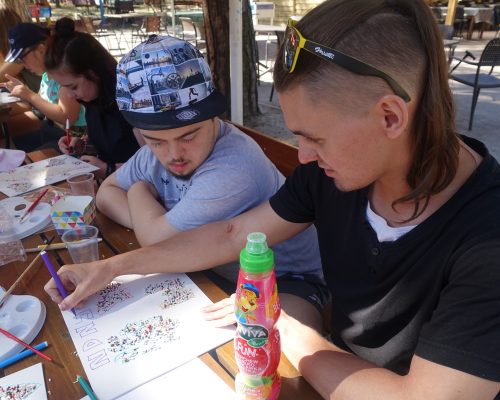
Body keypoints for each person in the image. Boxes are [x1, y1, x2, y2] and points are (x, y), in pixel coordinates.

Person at [45, 0, 500, 398]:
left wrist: (278, 320)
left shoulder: (487, 237)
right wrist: (110, 268)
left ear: (390, 116)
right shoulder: (331, 175)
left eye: (314, 137)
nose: (302, 156)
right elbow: (232, 234)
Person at [95, 35, 327, 327]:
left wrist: (138, 191)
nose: (174, 154)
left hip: (288, 282)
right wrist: (150, 221)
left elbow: (157, 241)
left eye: (189, 136)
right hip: (211, 272)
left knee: (255, 340)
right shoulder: (152, 155)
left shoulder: (234, 165)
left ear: (214, 118)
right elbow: (106, 194)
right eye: (155, 141)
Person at [44, 17, 142, 179]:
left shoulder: (132, 102)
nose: (69, 95)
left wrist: (110, 169)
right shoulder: (94, 100)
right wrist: (84, 144)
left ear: (94, 72)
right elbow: (109, 141)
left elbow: (156, 163)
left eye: (73, 86)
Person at [0, 22, 85, 152]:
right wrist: (23, 92)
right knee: (10, 146)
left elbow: (67, 118)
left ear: (41, 50)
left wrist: (30, 95)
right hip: (51, 130)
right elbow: (40, 104)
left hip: (71, 139)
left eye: (22, 59)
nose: (22, 65)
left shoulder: (63, 78)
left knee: (22, 156)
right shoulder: (46, 76)